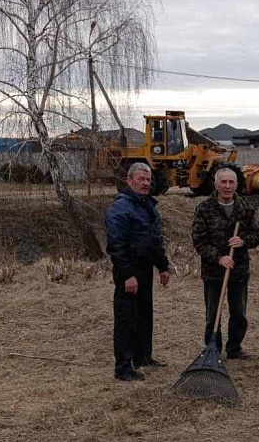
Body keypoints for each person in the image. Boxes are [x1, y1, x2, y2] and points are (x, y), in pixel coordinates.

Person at [105, 163, 171, 382]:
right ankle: (123, 367)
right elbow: (116, 245)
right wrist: (127, 275)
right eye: (141, 179)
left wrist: (162, 266)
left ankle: (143, 357)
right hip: (129, 272)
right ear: (129, 180)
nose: (145, 183)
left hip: (145, 271)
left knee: (144, 316)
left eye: (148, 179)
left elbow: (155, 240)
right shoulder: (120, 208)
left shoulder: (148, 206)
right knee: (127, 319)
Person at [192, 167, 259, 360]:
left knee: (239, 312)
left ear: (237, 185)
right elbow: (199, 240)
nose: (227, 186)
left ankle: (234, 348)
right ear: (215, 184)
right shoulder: (204, 208)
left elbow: (257, 235)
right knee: (212, 315)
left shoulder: (245, 208)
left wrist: (243, 241)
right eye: (223, 182)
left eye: (231, 182)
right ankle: (212, 349)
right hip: (214, 272)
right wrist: (218, 258)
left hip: (238, 271)